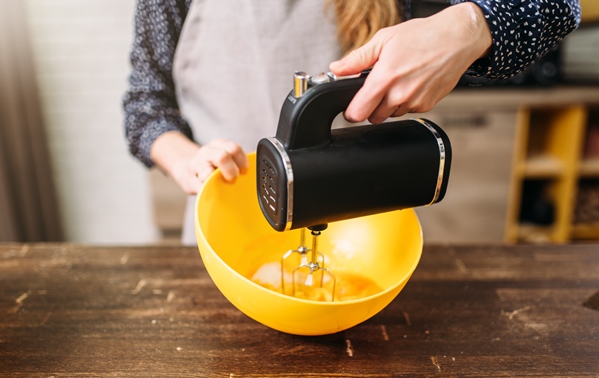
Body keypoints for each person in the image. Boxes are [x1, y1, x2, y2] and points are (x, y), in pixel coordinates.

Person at [123, 0, 581, 244]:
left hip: (364, 240)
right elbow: (144, 107)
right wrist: (189, 162)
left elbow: (560, 5)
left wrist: (470, 24)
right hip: (223, 237)